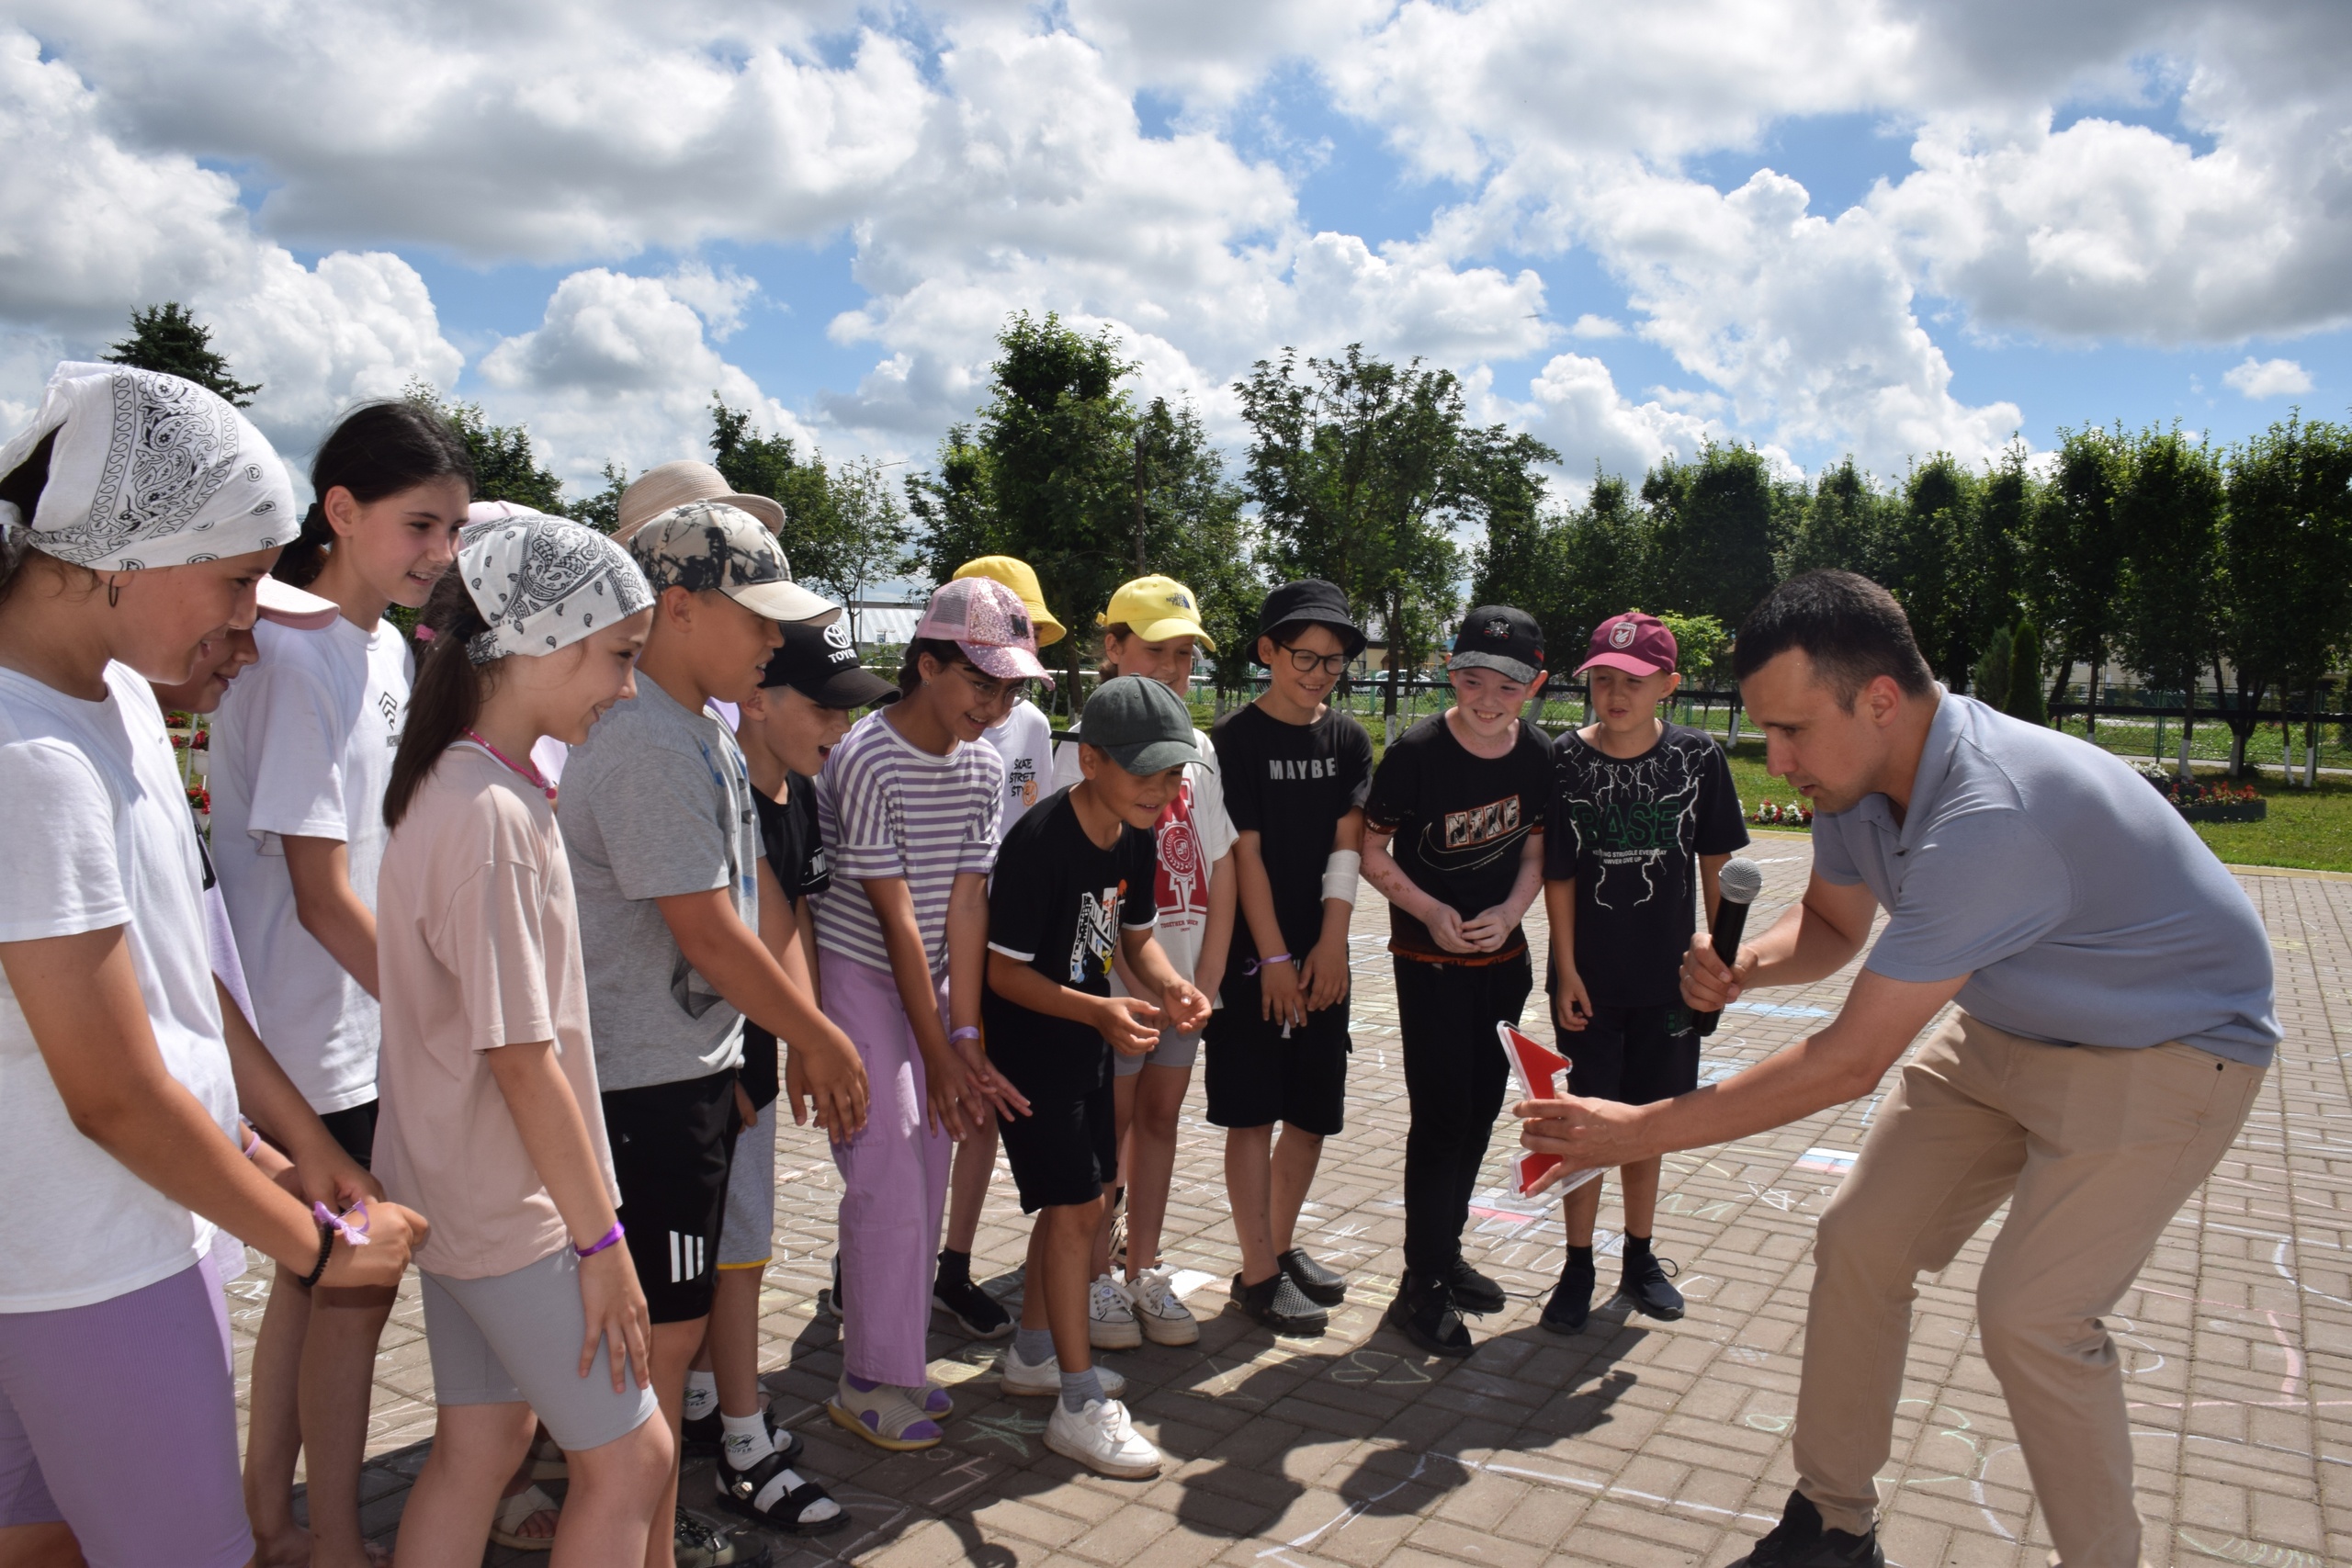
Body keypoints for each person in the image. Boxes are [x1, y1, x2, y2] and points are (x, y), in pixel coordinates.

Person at [1518, 571, 2278, 1568]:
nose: (1774, 759)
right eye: (1764, 732)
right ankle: (1833, 1527)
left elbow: (1848, 1062)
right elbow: (1834, 924)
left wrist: (1636, 1127)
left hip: (2169, 1048)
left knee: (2031, 1318)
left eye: (1791, 731)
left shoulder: (1991, 813)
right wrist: (1745, 963)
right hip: (2011, 1026)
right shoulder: (1856, 776)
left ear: (1879, 696)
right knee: (1861, 1242)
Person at [0, 362, 424, 1568]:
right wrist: (318, 1246)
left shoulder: (114, 699)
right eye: (237, 579)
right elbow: (112, 1089)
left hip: (90, 1238)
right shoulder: (32, 754)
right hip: (88, 1257)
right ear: (115, 552)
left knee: (38, 1540)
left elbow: (181, 981)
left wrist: (299, 1152)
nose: (249, 618)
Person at [368, 513, 683, 1567]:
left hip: (455, 1192)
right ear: (543, 638)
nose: (628, 688)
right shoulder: (492, 816)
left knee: (481, 1444)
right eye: (620, 658)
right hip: (515, 1213)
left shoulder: (457, 786)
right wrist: (601, 1246)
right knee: (633, 1460)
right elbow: (521, 1057)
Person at [560, 501, 869, 1566]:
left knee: (665, 1335)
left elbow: (742, 909)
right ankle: (632, 1533)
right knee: (653, 1346)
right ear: (678, 608)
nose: (775, 645)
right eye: (758, 622)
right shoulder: (647, 736)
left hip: (678, 1071)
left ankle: (643, 1530)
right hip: (640, 1088)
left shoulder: (695, 729)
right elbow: (706, 929)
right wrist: (817, 1038)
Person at [208, 398, 471, 1568]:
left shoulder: (371, 645)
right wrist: (443, 1019)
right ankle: (325, 1538)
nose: (440, 556)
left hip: (350, 1025)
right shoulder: (301, 651)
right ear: (342, 511)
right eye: (421, 526)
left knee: (318, 1291)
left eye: (455, 531)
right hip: (309, 1037)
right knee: (347, 1293)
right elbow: (320, 895)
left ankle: (274, 1520)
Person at [808, 575, 1035, 1450]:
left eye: (1010, 688)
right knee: (891, 1162)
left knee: (930, 1158)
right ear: (927, 663)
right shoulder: (864, 754)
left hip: (935, 982)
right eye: (982, 682)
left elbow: (968, 903)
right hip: (860, 974)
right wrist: (939, 1050)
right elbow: (894, 911)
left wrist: (965, 1034)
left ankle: (899, 1363)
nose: (996, 703)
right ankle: (867, 1375)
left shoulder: (983, 762)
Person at [682, 616, 893, 1531]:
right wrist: (798, 1040)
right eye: (826, 710)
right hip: (707, 1058)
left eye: (849, 715)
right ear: (755, 700)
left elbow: (791, 921)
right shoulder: (721, 784)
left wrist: (804, 1037)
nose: (840, 731)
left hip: (753, 1047)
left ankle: (705, 1406)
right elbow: (727, 941)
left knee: (736, 1246)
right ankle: (741, 1442)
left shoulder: (796, 787)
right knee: (734, 1258)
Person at [985, 675, 1211, 1476]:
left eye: (1174, 772)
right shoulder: (1040, 844)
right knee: (1079, 1205)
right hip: (1032, 1053)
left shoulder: (1135, 830)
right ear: (1088, 760)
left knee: (1077, 1201)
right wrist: (1099, 1011)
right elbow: (1003, 975)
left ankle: (1034, 1354)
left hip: (1083, 1042)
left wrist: (1168, 984)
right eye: (1146, 771)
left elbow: (1134, 938)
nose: (1163, 788)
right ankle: (1077, 1402)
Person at [1540, 611, 1747, 1335]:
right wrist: (1565, 968)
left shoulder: (1696, 758)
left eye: (1631, 679)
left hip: (1670, 985)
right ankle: (1575, 1264)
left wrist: (1720, 960)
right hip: (1590, 982)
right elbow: (1559, 877)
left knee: (1651, 1123)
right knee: (1582, 1123)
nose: (1614, 692)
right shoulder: (1564, 759)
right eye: (1601, 677)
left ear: (1668, 683)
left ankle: (1640, 1256)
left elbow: (1719, 865)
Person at [1048, 575, 1236, 1349]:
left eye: (1186, 657)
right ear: (1112, 648)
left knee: (1159, 1121)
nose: (1172, 670)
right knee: (1106, 1136)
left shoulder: (1202, 750)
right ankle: (1092, 1280)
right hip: (1112, 995)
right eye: (1156, 651)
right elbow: (1080, 889)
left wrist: (1210, 978)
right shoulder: (1081, 757)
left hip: (1181, 982)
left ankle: (1142, 1269)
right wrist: (1120, 985)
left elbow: (1220, 865)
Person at [1360, 605, 1552, 1356]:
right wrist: (1432, 910)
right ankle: (1421, 1286)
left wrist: (1509, 912)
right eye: (1473, 679)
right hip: (1432, 965)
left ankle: (1445, 1251)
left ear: (1532, 687)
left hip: (1502, 965)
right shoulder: (1415, 752)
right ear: (1451, 672)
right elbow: (1374, 854)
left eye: (1506, 686)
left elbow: (1535, 854)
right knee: (1441, 1122)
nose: (1488, 697)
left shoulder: (1538, 754)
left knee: (1477, 1118)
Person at [1204, 580, 1371, 1335]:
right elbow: (1246, 856)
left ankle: (1278, 1243)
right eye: (1304, 656)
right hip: (1253, 964)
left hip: (1322, 960)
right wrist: (1274, 955)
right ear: (1267, 651)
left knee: (1310, 1117)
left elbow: (1347, 846)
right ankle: (1257, 1272)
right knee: (1254, 1115)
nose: (1318, 673)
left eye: (1334, 662)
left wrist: (1331, 942)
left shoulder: (1348, 739)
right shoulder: (1231, 742)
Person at [929, 554, 1068, 1339]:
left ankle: (954, 1259)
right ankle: (869, 1261)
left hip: (1002, 939)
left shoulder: (1032, 723)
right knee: (919, 1108)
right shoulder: (930, 721)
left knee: (980, 1103)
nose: (1005, 689)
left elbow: (1034, 830)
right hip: (936, 941)